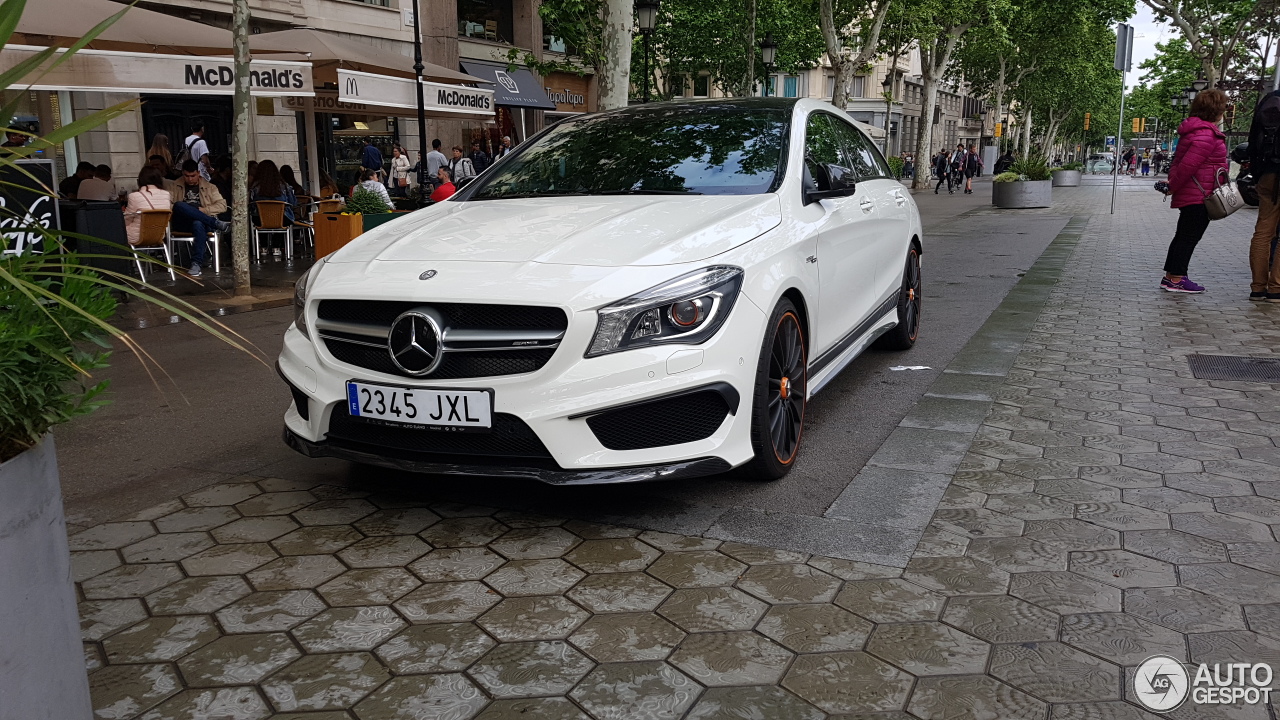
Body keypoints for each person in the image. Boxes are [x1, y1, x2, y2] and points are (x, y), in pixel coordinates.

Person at [1161, 88, 1229, 294]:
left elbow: (1179, 164)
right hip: (1201, 194)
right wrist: (1172, 186)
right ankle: (1177, 279)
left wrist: (1173, 184)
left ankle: (1172, 276)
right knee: (1189, 236)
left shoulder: (1194, 131)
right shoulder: (1206, 135)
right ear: (1215, 111)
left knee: (1183, 234)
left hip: (1194, 191)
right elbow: (1187, 166)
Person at [1247, 86, 1280, 301]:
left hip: (1268, 173)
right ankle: (1276, 288)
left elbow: (1253, 140)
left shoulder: (1270, 100)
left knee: (1263, 232)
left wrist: (1257, 172)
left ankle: (1258, 286)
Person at [169, 159, 230, 276]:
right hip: (182, 223)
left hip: (201, 223)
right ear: (183, 173)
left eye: (193, 176)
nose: (190, 179)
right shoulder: (174, 185)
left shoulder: (210, 187)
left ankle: (196, 263)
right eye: (186, 176)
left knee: (198, 223)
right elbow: (168, 205)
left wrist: (204, 210)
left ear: (198, 173)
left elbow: (222, 206)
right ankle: (216, 223)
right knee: (179, 205)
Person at [250, 160, 297, 257]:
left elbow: (251, 204)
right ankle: (277, 247)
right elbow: (293, 203)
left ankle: (263, 247)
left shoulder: (255, 186)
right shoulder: (284, 186)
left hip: (260, 220)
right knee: (282, 220)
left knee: (259, 218)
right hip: (282, 219)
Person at [124, 166, 172, 248]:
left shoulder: (134, 196)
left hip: (137, 237)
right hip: (159, 236)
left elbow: (127, 219)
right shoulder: (166, 195)